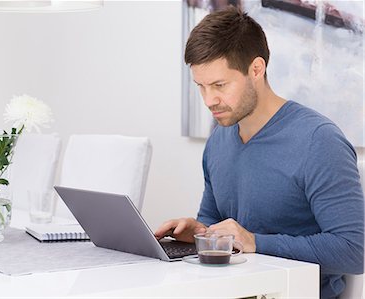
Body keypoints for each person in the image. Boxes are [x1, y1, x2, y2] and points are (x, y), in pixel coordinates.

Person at [154, 6, 364, 299]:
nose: (209, 100)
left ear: (256, 69)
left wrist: (256, 242)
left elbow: (354, 251)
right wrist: (200, 233)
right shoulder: (219, 139)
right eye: (201, 87)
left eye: (219, 85)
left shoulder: (318, 140)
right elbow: (216, 225)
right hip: (235, 290)